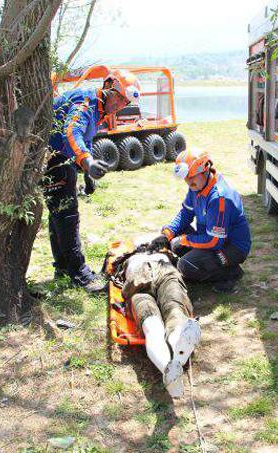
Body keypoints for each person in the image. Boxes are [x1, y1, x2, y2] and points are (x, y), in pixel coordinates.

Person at [45, 70, 141, 292]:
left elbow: (84, 140)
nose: (120, 105)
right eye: (119, 98)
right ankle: (80, 275)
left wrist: (86, 172)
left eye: (125, 102)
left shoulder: (100, 109)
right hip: (52, 160)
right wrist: (88, 163)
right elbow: (72, 132)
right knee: (67, 216)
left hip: (60, 159)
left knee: (59, 216)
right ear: (108, 87)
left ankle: (62, 267)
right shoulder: (86, 101)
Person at [150, 148, 251, 293]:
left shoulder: (219, 198)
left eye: (192, 177)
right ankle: (204, 262)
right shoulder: (196, 187)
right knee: (174, 237)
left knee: (185, 265)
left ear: (204, 169)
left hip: (231, 247)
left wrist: (185, 240)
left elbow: (215, 241)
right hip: (212, 237)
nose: (188, 182)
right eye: (186, 178)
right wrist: (167, 234)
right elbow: (185, 213)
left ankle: (232, 273)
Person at [112, 245, 201, 398]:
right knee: (175, 309)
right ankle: (177, 350)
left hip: (137, 278)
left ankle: (168, 367)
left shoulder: (128, 257)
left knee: (151, 325)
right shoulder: (163, 250)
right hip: (164, 271)